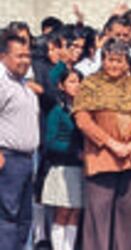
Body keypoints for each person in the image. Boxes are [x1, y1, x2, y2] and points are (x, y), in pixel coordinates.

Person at [73, 39, 131, 250]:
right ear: (102, 60)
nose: (114, 65)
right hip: (102, 159)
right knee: (98, 217)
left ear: (127, 63)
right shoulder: (90, 85)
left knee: (128, 218)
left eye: (119, 61)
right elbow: (83, 120)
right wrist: (112, 144)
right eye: (110, 60)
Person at [0, 27, 38, 248]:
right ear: (3, 56)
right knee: (7, 219)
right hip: (8, 160)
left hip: (25, 160)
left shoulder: (22, 84)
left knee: (24, 220)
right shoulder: (2, 83)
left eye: (28, 56)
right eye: (20, 56)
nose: (25, 61)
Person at [42, 68, 84, 250]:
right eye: (71, 81)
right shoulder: (57, 111)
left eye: (78, 81)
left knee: (75, 211)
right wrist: (73, 151)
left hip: (81, 167)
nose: (76, 86)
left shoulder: (84, 111)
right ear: (61, 85)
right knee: (62, 212)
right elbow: (50, 142)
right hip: (63, 167)